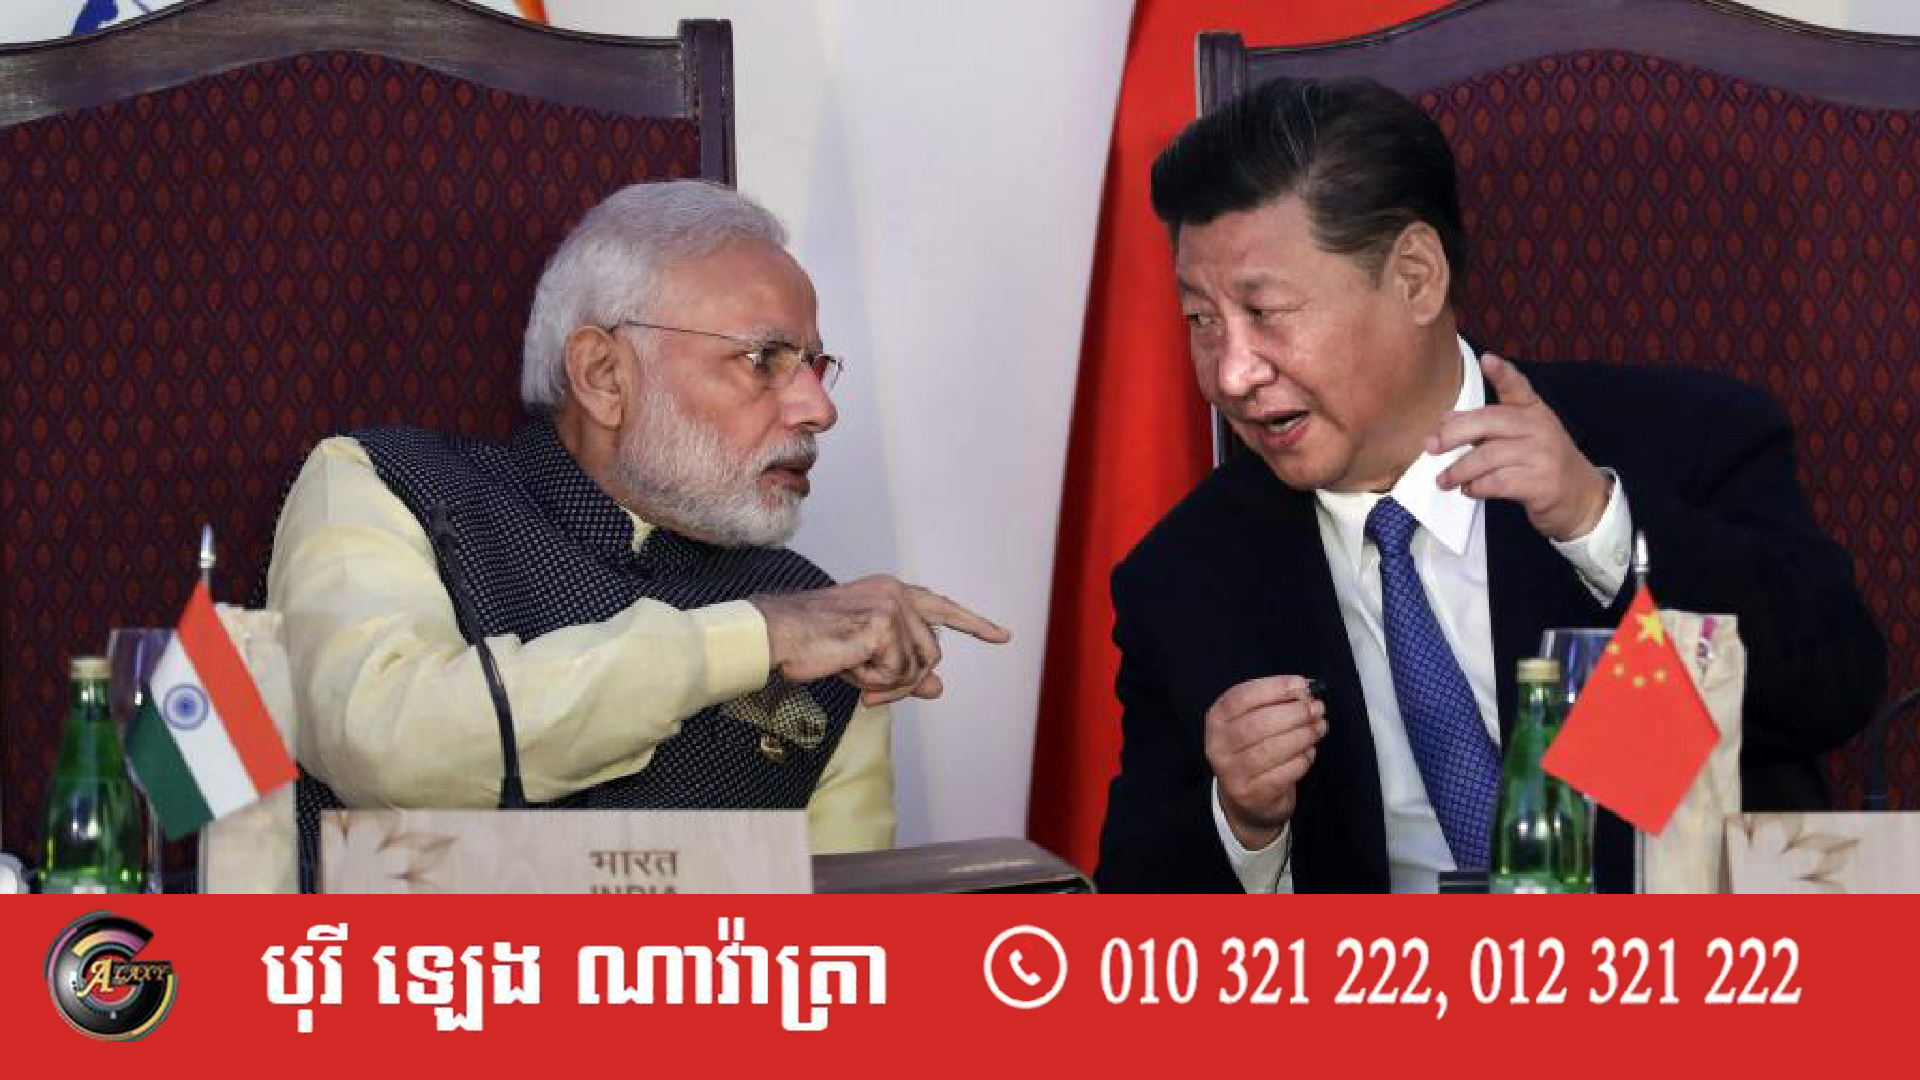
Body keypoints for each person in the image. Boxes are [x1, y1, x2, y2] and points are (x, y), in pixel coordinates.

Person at [1094, 77, 1884, 893]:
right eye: (1202, 320)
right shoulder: (1185, 579)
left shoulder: (1680, 441)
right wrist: (1241, 821)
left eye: (1265, 313)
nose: (1232, 374)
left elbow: (1833, 689)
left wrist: (1599, 523)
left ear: (1415, 278)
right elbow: (1132, 916)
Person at [268, 181, 1009, 879]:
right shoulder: (386, 482)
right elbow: (387, 745)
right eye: (764, 360)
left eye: (815, 367)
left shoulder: (824, 620)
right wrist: (752, 639)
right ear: (604, 375)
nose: (819, 409)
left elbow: (837, 938)